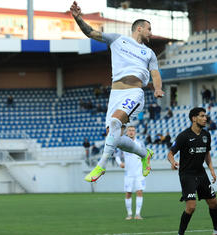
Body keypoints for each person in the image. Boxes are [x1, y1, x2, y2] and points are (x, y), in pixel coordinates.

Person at [70, 1, 164, 182]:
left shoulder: (149, 53)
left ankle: (101, 165)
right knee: (115, 136)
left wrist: (158, 89)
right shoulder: (117, 39)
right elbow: (91, 32)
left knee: (114, 122)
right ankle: (145, 153)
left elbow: (155, 73)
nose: (151, 33)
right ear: (139, 29)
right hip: (116, 94)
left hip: (134, 93)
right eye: (149, 29)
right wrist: (78, 18)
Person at [167, 107, 217, 235]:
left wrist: (212, 170)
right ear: (194, 118)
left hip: (201, 173)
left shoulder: (206, 135)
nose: (205, 118)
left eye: (205, 116)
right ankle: (180, 233)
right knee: (191, 207)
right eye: (202, 116)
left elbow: (207, 154)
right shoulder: (184, 136)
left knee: (214, 203)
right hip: (187, 174)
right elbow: (170, 153)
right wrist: (173, 162)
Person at [114, 126, 146, 220]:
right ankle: (129, 214)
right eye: (129, 131)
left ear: (135, 132)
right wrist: (120, 163)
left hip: (139, 173)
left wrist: (146, 166)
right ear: (126, 132)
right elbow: (117, 156)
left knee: (139, 192)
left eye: (133, 130)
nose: (131, 132)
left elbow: (145, 155)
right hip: (128, 173)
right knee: (128, 193)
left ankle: (138, 214)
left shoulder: (140, 143)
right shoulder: (123, 143)